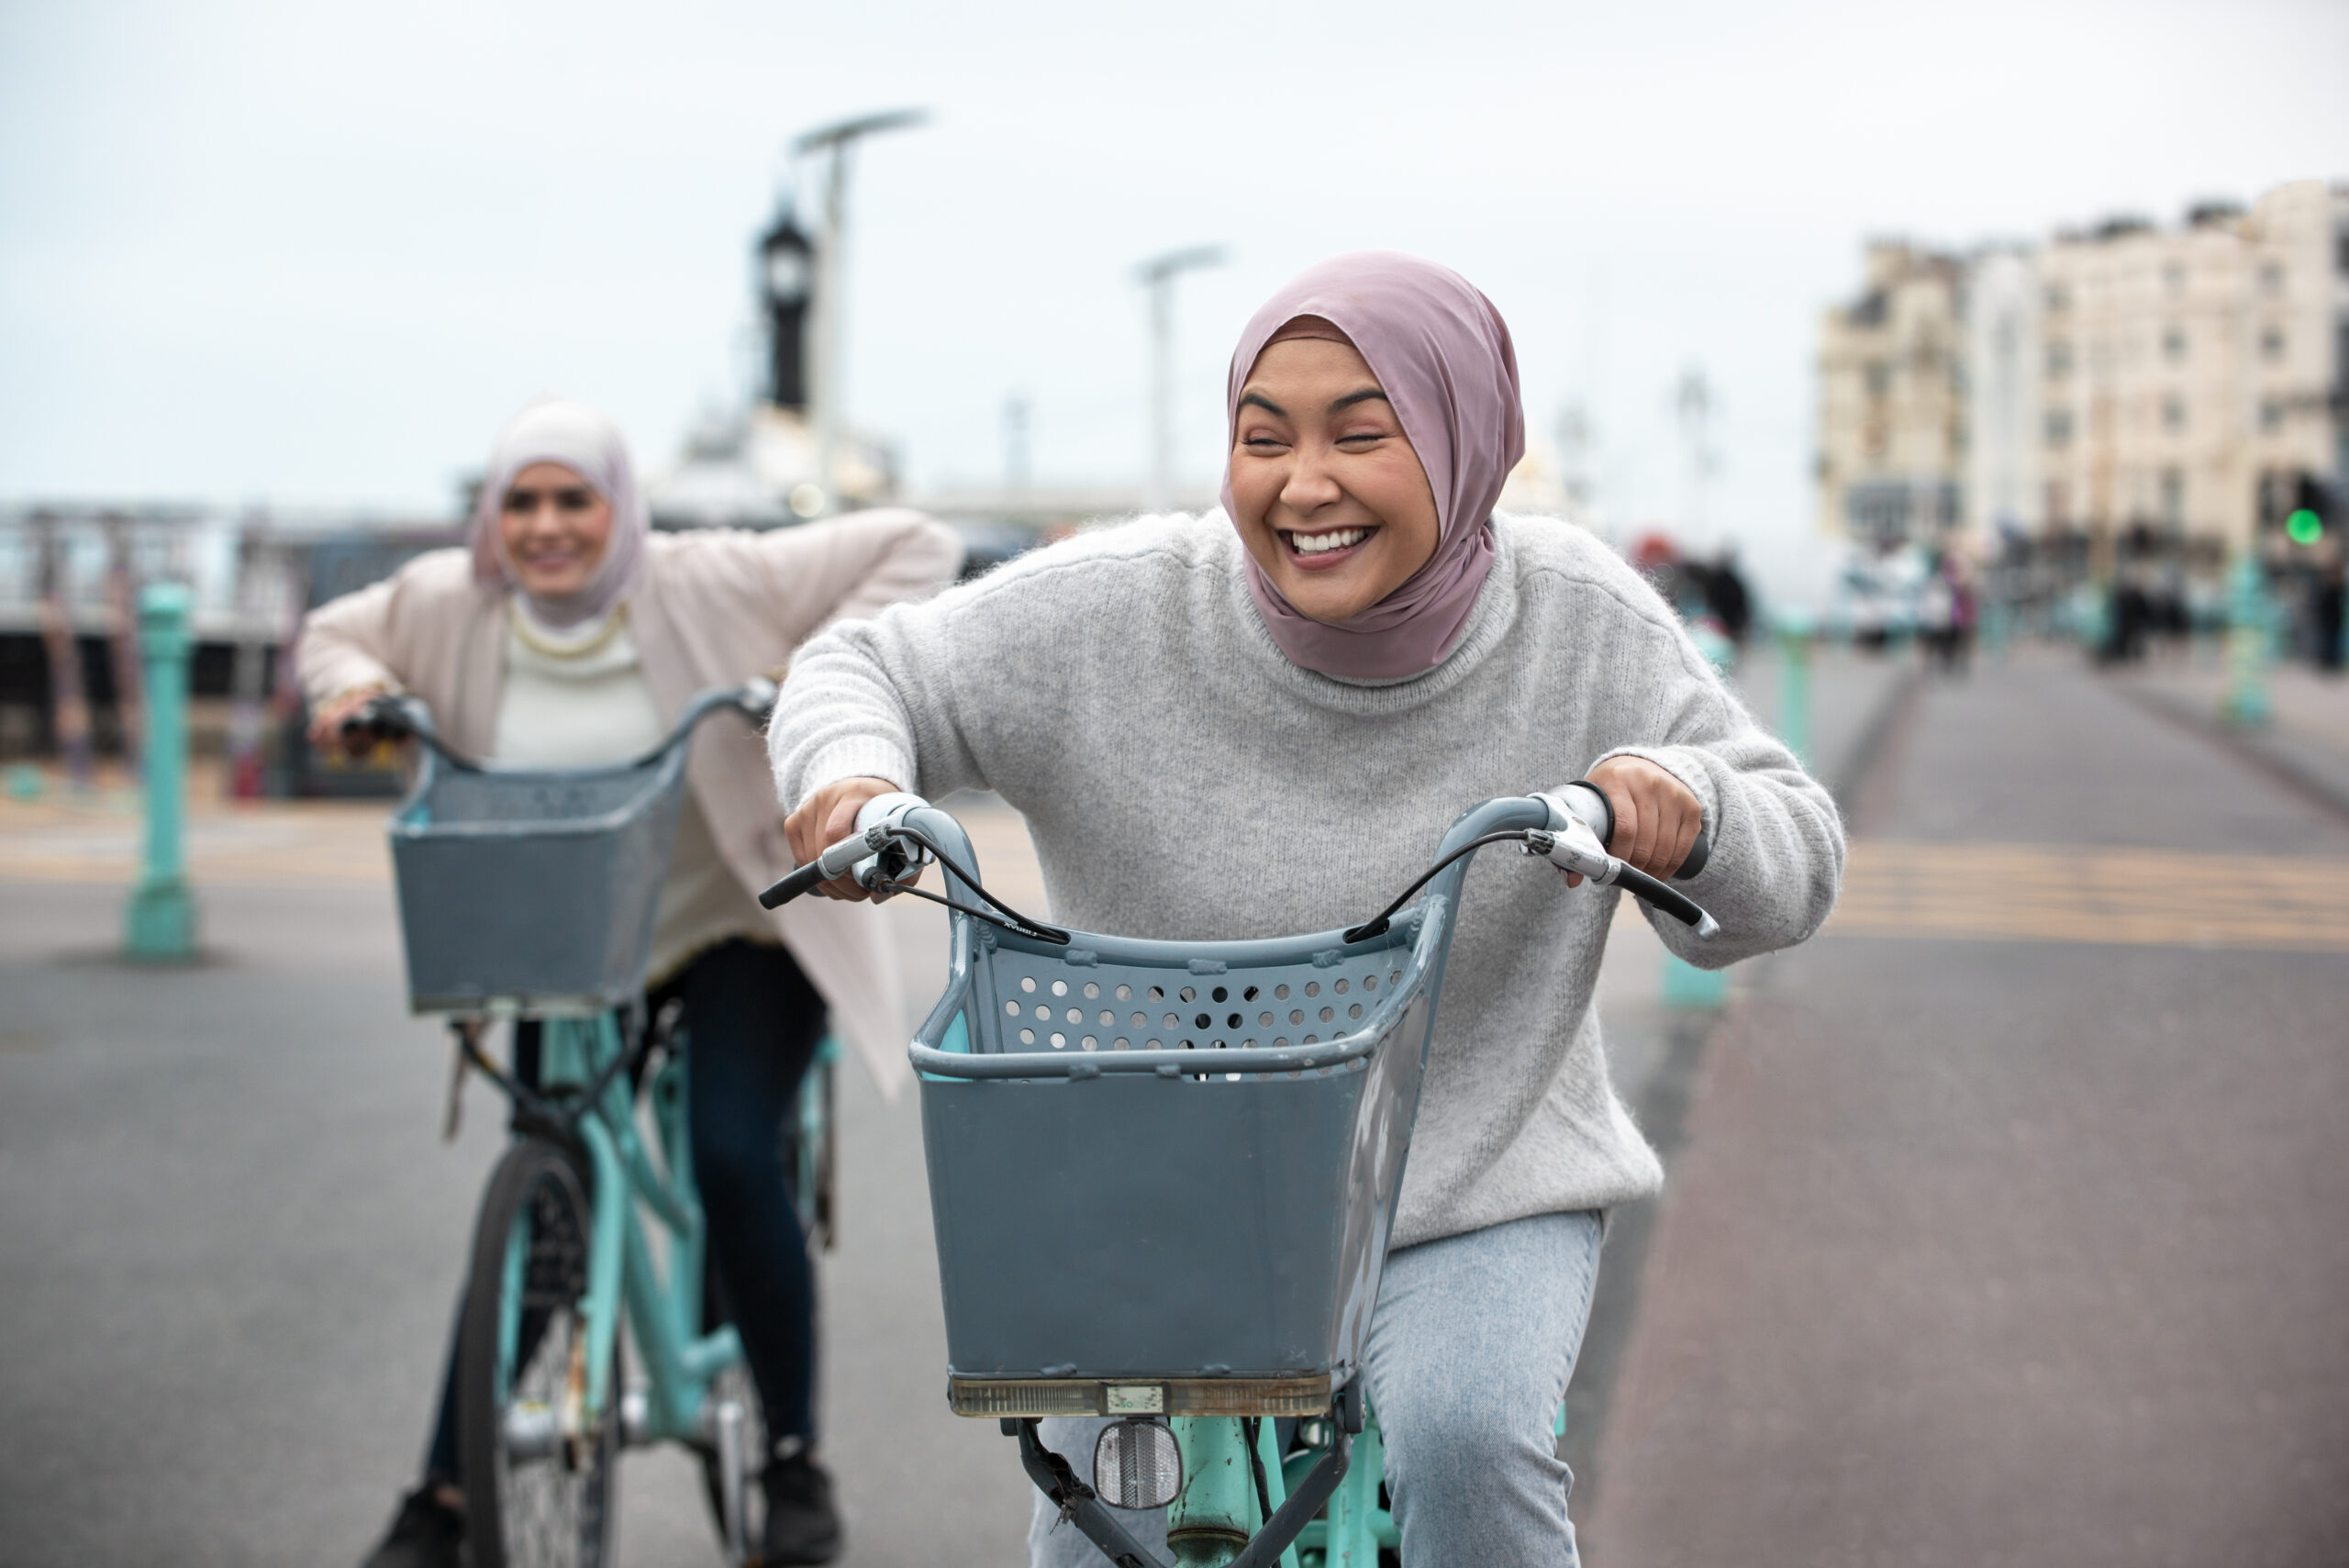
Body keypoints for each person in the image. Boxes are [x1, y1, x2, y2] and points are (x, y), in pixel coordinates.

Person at [768, 253, 1843, 1564]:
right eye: (1262, 435)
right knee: (1095, 1525)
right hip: (1161, 1178)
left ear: (1467, 442)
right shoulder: (1115, 611)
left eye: (1362, 431)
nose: (1304, 482)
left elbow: (1794, 846)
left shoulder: (1581, 623)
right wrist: (853, 781)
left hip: (1469, 1180)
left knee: (1466, 1434)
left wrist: (1690, 806)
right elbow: (862, 665)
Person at [300, 398, 962, 1568]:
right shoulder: (453, 603)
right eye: (521, 501)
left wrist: (808, 666)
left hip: (734, 925)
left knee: (727, 1151)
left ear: (621, 507)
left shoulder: (706, 576)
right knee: (546, 1186)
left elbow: (918, 544)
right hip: (564, 934)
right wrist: (352, 693)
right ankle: (445, 1493)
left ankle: (793, 1453)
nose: (546, 526)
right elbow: (334, 636)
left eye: (573, 498)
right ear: (492, 519)